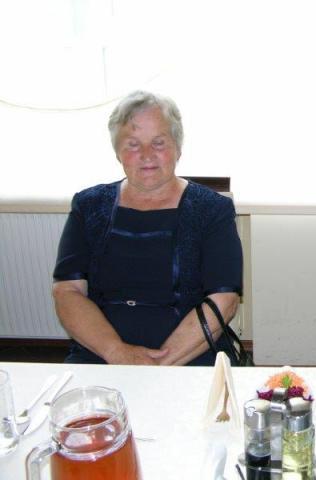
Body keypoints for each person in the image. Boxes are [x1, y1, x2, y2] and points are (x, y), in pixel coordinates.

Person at [52, 90, 242, 366]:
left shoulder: (212, 209)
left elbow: (224, 298)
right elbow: (67, 291)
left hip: (191, 354)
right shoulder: (88, 205)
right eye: (132, 144)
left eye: (159, 142)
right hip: (101, 353)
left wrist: (155, 366)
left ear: (178, 147)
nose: (146, 155)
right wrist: (117, 352)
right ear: (118, 152)